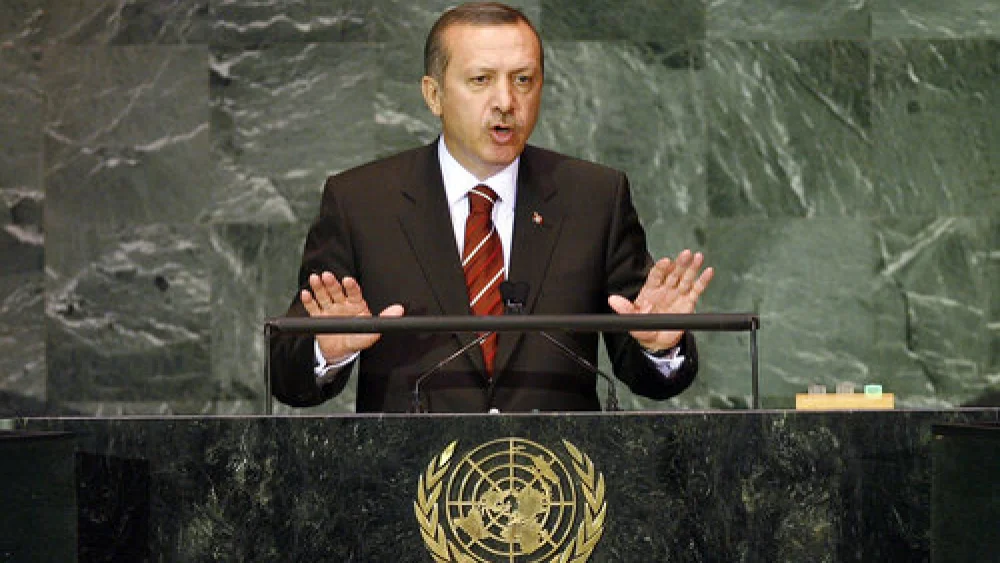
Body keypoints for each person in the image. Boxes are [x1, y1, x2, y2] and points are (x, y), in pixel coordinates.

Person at [269, 1, 714, 413]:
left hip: (557, 485)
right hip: (407, 483)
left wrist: (658, 347)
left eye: (523, 80)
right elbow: (287, 379)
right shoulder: (361, 202)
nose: (506, 101)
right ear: (433, 94)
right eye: (481, 80)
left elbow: (650, 377)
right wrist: (325, 350)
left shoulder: (594, 197)